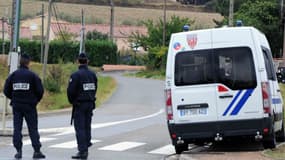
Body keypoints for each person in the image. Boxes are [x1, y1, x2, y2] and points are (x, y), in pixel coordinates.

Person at [3, 54, 45, 159]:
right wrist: (35, 100)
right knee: (33, 128)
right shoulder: (33, 76)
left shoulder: (13, 75)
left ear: (19, 63)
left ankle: (18, 151)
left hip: (17, 105)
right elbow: (40, 91)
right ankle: (36, 151)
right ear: (28, 63)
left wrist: (13, 97)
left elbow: (6, 90)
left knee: (17, 128)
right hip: (30, 106)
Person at [67, 53, 97, 159]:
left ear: (77, 61)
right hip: (90, 103)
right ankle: (87, 143)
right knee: (87, 126)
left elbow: (70, 92)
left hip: (79, 105)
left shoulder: (75, 75)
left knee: (80, 128)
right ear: (87, 61)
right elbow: (95, 88)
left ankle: (82, 151)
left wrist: (73, 102)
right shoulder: (92, 75)